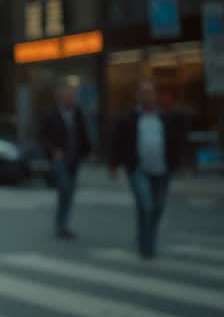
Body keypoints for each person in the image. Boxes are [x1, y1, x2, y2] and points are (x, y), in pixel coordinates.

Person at [108, 81, 188, 259]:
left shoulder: (165, 118)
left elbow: (177, 142)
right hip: (138, 169)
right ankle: (147, 247)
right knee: (146, 205)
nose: (147, 96)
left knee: (157, 207)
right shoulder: (129, 118)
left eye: (150, 93)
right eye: (143, 93)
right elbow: (117, 143)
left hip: (162, 169)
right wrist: (113, 165)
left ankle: (145, 237)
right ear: (138, 96)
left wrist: (178, 163)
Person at [38, 84, 92, 240]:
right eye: (67, 97)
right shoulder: (51, 115)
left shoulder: (77, 113)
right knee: (65, 188)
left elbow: (84, 133)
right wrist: (52, 150)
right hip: (59, 160)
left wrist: (88, 151)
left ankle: (63, 224)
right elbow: (41, 136)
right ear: (59, 99)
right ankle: (61, 225)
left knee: (69, 193)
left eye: (72, 97)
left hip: (74, 158)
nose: (71, 100)